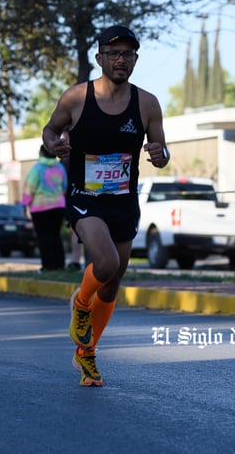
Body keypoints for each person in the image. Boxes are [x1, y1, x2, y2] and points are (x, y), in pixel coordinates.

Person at [42, 24, 169, 387]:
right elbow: (49, 131)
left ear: (135, 60)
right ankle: (81, 305)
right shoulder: (76, 98)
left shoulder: (147, 103)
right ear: (99, 58)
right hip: (86, 197)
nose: (120, 60)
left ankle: (87, 354)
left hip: (124, 201)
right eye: (113, 53)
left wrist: (161, 154)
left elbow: (160, 151)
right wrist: (55, 146)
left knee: (113, 284)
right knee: (106, 262)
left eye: (127, 54)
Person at [21, 144, 67, 271]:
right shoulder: (60, 167)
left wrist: (24, 205)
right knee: (55, 235)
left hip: (40, 207)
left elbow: (29, 188)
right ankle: (60, 265)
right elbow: (64, 186)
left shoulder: (37, 168)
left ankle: (47, 266)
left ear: (41, 153)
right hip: (58, 206)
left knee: (44, 237)